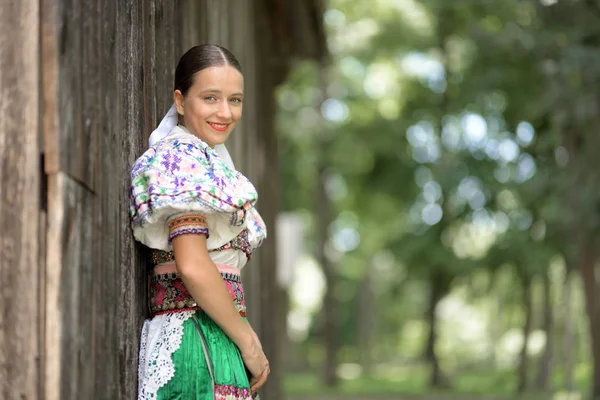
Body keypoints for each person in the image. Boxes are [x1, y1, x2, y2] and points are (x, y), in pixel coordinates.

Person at [129, 44, 270, 400]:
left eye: (234, 100)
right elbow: (192, 265)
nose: (225, 112)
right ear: (180, 101)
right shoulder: (182, 158)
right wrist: (249, 344)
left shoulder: (214, 163)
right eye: (210, 98)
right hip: (193, 342)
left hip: (215, 337)